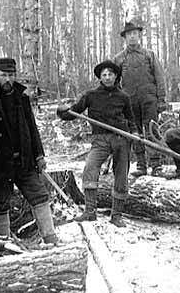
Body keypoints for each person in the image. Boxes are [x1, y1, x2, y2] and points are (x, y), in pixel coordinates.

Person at [0, 58, 58, 244]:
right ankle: (3, 242)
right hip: (0, 164)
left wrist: (39, 155)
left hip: (24, 161)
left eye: (11, 75)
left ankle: (51, 239)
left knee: (40, 196)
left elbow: (32, 129)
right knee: (1, 202)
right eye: (4, 75)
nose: (8, 79)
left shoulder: (22, 99)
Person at [57, 60, 138, 227]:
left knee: (121, 176)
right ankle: (90, 212)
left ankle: (116, 215)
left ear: (116, 77)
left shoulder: (123, 97)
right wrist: (62, 112)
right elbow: (75, 111)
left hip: (121, 139)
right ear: (100, 77)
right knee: (90, 168)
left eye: (110, 74)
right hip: (100, 140)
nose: (107, 77)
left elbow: (131, 120)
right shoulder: (91, 95)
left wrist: (135, 133)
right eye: (104, 75)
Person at [113, 22, 167, 177]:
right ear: (124, 38)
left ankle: (156, 165)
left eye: (135, 33)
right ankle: (141, 165)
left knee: (152, 130)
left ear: (139, 35)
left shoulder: (149, 55)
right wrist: (117, 104)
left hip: (149, 100)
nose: (132, 37)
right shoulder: (119, 59)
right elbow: (115, 84)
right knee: (135, 133)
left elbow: (159, 77)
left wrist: (161, 99)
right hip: (129, 102)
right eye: (129, 34)